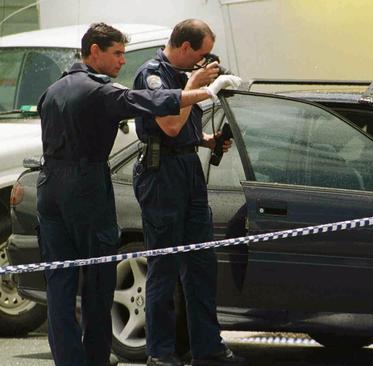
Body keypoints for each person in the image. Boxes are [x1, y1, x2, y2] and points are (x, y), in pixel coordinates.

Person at [36, 23, 231, 366]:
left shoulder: (52, 90)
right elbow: (151, 102)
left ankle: (68, 360)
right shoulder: (101, 91)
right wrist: (206, 90)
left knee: (60, 281)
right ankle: (95, 359)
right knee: (98, 278)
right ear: (94, 51)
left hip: (49, 184)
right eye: (117, 54)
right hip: (86, 185)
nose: (122, 61)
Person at [132, 19, 245, 366]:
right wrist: (196, 85)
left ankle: (207, 347)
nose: (204, 60)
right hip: (160, 172)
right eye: (201, 53)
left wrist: (209, 139)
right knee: (164, 267)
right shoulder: (152, 74)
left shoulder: (182, 76)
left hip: (188, 169)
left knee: (201, 264)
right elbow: (169, 125)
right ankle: (161, 353)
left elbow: (185, 129)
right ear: (184, 47)